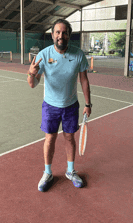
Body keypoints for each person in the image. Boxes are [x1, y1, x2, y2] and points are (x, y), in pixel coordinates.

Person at [27, 18, 92, 192]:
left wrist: (88, 103)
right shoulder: (43, 55)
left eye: (64, 33)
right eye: (57, 32)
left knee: (70, 138)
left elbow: (84, 80)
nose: (60, 36)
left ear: (69, 35)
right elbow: (32, 84)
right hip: (50, 106)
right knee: (50, 139)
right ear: (52, 35)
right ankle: (47, 172)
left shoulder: (78, 54)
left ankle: (70, 171)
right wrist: (31, 74)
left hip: (71, 105)